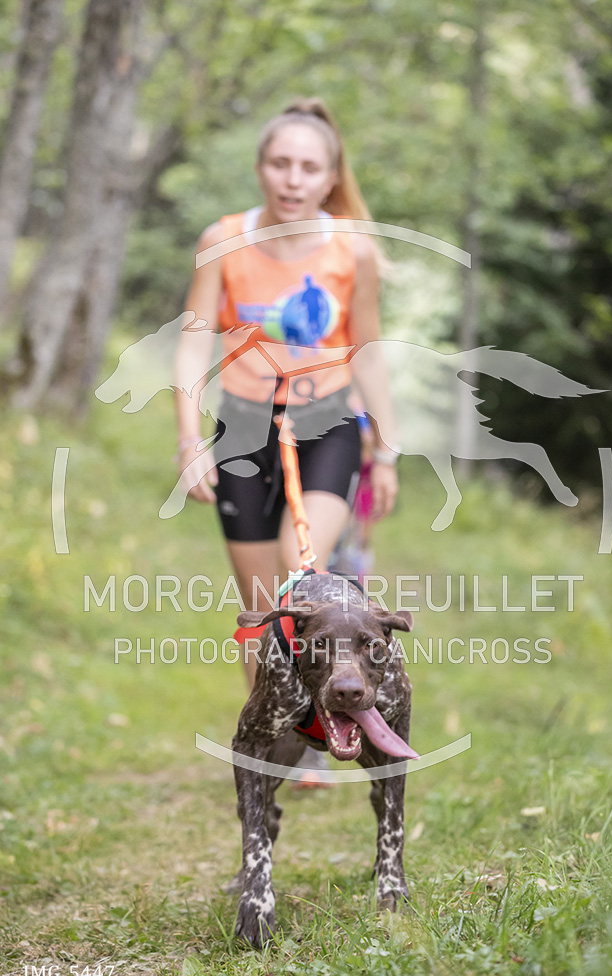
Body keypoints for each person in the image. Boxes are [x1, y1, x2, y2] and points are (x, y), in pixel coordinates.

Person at [172, 97, 399, 786]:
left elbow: (366, 351)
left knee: (297, 576)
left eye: (308, 167)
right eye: (280, 164)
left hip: (327, 427)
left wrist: (386, 451)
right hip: (243, 429)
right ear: (260, 168)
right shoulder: (223, 240)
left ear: (330, 177)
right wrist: (189, 439)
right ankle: (273, 734)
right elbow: (193, 342)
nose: (292, 179)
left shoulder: (352, 249)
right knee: (261, 608)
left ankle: (322, 729)